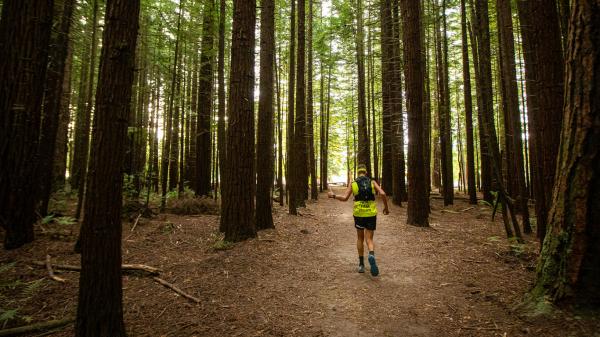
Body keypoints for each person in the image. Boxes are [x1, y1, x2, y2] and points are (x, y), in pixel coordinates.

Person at [328, 164, 389, 276]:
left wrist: (333, 196)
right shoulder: (372, 182)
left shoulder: (354, 183)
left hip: (359, 214)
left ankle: (361, 265)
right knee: (369, 238)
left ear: (358, 172)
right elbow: (383, 194)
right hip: (371, 213)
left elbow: (345, 198)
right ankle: (371, 254)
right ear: (366, 172)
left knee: (360, 238)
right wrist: (386, 208)